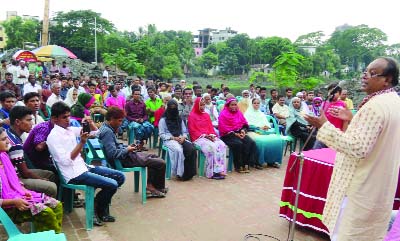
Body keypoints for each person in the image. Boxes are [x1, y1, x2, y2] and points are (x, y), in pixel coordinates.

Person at [305, 57, 400, 241]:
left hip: (360, 187)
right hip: (379, 186)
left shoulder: (375, 106)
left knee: (347, 234)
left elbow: (358, 148)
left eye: (372, 73)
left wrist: (324, 125)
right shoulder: (394, 101)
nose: (364, 76)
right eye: (365, 72)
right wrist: (351, 118)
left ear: (386, 80)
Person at [47, 102, 125, 225]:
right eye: (64, 117)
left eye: (68, 116)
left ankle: (96, 203)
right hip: (73, 174)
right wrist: (81, 143)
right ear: (54, 119)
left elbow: (96, 134)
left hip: (83, 167)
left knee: (120, 176)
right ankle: (98, 209)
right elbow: (67, 161)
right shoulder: (53, 137)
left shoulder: (69, 129)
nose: (68, 120)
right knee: (112, 184)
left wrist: (90, 123)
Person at [0, 127, 63, 233]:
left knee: (56, 205)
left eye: (7, 138)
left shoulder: (3, 157)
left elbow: (13, 180)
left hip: (16, 197)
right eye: (3, 139)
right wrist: (14, 202)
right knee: (46, 213)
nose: (7, 142)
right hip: (6, 208)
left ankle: (53, 237)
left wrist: (23, 188)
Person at [98, 107, 167, 198]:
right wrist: (127, 149)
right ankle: (151, 188)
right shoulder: (107, 132)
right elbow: (112, 154)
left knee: (154, 156)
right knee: (160, 162)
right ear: (111, 119)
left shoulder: (105, 127)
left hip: (125, 156)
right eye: (119, 121)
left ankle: (156, 187)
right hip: (122, 160)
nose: (121, 123)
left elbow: (114, 147)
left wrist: (128, 147)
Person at [6, 106, 57, 197]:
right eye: (28, 120)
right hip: (15, 178)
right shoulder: (15, 144)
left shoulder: (8, 133)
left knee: (50, 174)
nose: (32, 123)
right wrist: (41, 179)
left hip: (17, 173)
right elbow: (25, 173)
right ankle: (43, 206)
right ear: (17, 122)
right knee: (51, 187)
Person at [188, 97, 226, 179]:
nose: (202, 107)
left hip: (209, 136)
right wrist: (205, 136)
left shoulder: (206, 115)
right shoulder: (192, 116)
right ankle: (212, 172)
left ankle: (220, 169)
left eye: (203, 105)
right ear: (196, 105)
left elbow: (210, 128)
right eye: (200, 105)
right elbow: (192, 131)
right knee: (211, 147)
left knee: (221, 144)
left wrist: (212, 136)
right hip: (198, 138)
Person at [158, 100, 197, 181]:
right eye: (171, 108)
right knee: (178, 150)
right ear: (168, 108)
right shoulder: (163, 120)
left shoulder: (179, 119)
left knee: (191, 148)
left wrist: (183, 137)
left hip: (180, 137)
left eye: (174, 108)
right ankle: (179, 173)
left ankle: (189, 173)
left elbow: (184, 131)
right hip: (169, 139)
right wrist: (173, 138)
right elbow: (162, 134)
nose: (173, 110)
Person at [218, 98, 258, 173]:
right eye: (232, 105)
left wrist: (243, 131)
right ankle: (238, 166)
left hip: (239, 133)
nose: (234, 106)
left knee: (250, 142)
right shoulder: (223, 114)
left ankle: (246, 164)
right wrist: (236, 134)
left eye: (235, 105)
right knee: (238, 144)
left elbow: (244, 124)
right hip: (227, 135)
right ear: (228, 105)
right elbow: (223, 129)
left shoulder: (238, 113)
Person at [244, 98, 283, 168]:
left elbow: (267, 124)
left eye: (258, 103)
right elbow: (247, 125)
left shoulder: (261, 113)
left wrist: (266, 126)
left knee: (277, 140)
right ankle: (258, 162)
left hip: (263, 132)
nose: (256, 105)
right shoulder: (247, 113)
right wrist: (258, 127)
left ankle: (272, 161)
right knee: (261, 141)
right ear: (251, 104)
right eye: (254, 103)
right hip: (252, 131)